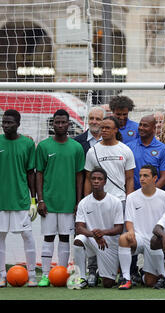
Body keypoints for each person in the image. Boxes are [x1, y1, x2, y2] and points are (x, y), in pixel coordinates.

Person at [36, 109, 85, 287]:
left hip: (68, 201)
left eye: (63, 122)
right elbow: (39, 174)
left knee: (65, 237)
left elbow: (80, 176)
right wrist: (40, 200)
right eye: (57, 122)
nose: (60, 125)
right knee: (48, 237)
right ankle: (46, 275)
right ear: (53, 124)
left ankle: (62, 274)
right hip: (48, 201)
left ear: (69, 125)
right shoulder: (43, 146)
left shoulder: (76, 147)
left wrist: (78, 201)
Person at [117, 165, 165, 290]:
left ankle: (144, 274)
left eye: (146, 176)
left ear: (155, 178)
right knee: (123, 238)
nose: (142, 178)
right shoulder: (131, 197)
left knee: (150, 282)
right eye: (140, 175)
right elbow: (129, 220)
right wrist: (130, 231)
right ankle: (126, 278)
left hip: (156, 241)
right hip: (139, 238)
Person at [0, 110, 37, 287]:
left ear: (18, 124)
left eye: (9, 123)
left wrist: (33, 200)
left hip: (21, 198)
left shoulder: (28, 144)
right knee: (0, 237)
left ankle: (32, 275)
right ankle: (1, 275)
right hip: (1, 200)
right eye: (3, 122)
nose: (6, 125)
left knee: (27, 235)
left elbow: (31, 173)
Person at [72, 167, 124, 288]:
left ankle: (100, 273)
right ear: (90, 181)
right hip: (92, 240)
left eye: (99, 179)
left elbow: (119, 228)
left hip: (108, 244)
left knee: (108, 284)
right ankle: (82, 278)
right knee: (78, 240)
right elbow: (79, 228)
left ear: (105, 182)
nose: (96, 181)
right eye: (94, 178)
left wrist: (103, 233)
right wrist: (95, 236)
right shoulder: (84, 203)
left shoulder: (115, 202)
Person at [74, 106, 106, 286]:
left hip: (107, 198)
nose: (94, 122)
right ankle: (85, 272)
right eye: (91, 118)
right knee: (85, 234)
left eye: (98, 119)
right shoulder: (78, 142)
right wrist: (83, 199)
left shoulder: (112, 141)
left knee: (102, 233)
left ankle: (100, 271)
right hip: (87, 197)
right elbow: (81, 175)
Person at [84, 116, 135, 207]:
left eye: (107, 128)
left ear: (116, 130)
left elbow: (130, 178)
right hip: (97, 200)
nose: (104, 130)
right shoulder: (92, 151)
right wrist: (86, 201)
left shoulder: (125, 150)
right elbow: (88, 179)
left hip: (120, 199)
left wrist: (129, 200)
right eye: (102, 128)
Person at [126, 115, 165, 190]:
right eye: (140, 125)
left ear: (154, 129)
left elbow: (164, 178)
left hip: (154, 195)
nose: (141, 128)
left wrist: (149, 192)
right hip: (133, 194)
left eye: (145, 126)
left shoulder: (163, 149)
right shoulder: (128, 147)